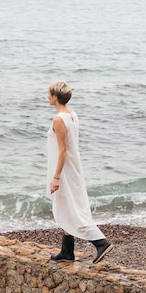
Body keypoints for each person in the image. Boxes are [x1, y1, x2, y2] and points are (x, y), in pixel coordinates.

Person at [46, 80, 113, 264]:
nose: (47, 96)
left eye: (49, 94)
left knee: (71, 210)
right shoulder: (72, 115)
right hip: (74, 167)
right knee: (69, 208)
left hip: (65, 170)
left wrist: (56, 177)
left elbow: (62, 150)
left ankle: (101, 242)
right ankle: (67, 252)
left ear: (55, 96)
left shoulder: (59, 119)